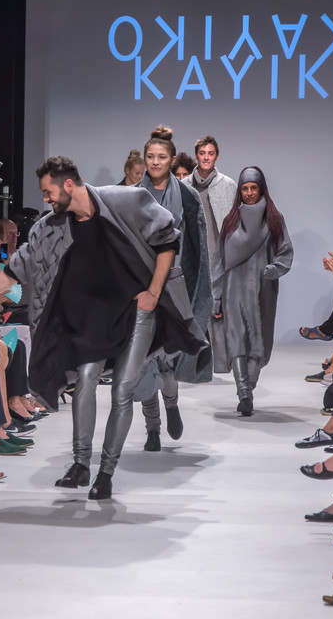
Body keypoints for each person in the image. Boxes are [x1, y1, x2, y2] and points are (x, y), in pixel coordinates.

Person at [0, 156, 207, 499]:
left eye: (48, 191)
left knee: (123, 389)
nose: (45, 198)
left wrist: (153, 292)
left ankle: (106, 472)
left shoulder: (126, 200)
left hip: (136, 311)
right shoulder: (50, 227)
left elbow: (168, 240)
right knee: (86, 379)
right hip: (93, 318)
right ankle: (81, 463)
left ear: (69, 185)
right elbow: (14, 270)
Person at [134, 126, 212, 450]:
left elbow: (199, 247)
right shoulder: (132, 195)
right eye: (150, 157)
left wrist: (201, 291)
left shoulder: (188, 196)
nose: (155, 162)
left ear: (172, 159)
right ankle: (152, 428)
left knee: (168, 356)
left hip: (177, 283)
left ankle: (171, 403)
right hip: (140, 283)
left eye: (161, 157)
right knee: (142, 358)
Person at [210, 166, 293, 416]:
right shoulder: (231, 221)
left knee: (259, 342)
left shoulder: (274, 220)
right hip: (233, 288)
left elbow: (285, 251)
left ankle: (248, 388)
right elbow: (219, 261)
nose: (248, 193)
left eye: (253, 188)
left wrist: (273, 269)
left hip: (262, 289)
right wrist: (216, 297)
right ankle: (244, 393)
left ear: (261, 188)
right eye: (244, 188)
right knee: (236, 339)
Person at [181, 135, 237, 262]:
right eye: (202, 153)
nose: (206, 158)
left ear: (216, 157)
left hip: (222, 259)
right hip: (191, 258)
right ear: (196, 156)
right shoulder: (183, 186)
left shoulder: (229, 186)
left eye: (211, 154)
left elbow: (237, 224)